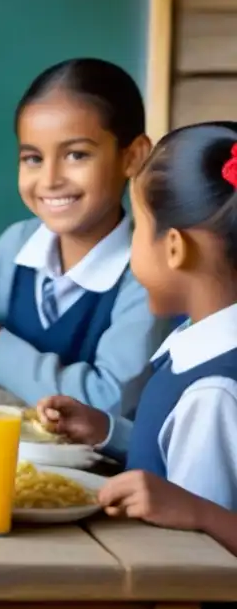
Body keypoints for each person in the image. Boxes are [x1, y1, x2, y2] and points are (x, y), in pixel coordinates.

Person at [0, 58, 172, 416]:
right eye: (32, 158)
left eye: (76, 155)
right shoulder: (18, 244)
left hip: (100, 470)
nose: (49, 180)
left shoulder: (146, 273)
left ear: (133, 156)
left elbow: (108, 400)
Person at [38, 121, 237, 513]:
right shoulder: (196, 341)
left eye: (138, 230)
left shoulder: (212, 393)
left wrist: (197, 513)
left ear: (175, 248)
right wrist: (108, 431)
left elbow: (208, 567)